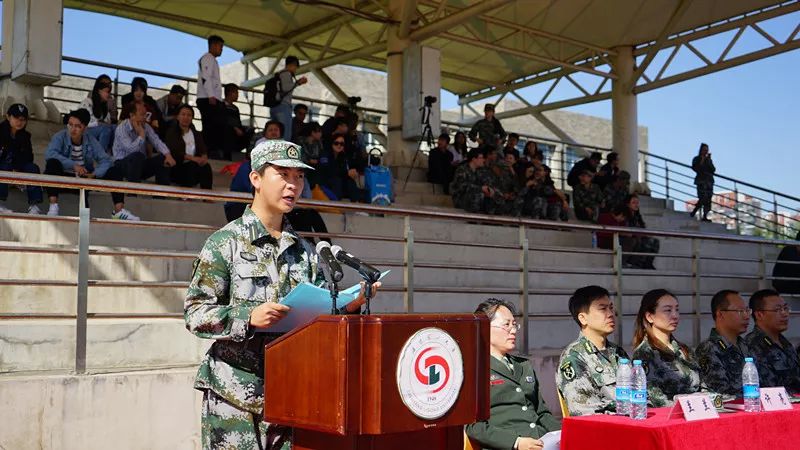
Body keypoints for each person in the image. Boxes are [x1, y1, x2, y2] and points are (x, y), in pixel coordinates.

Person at [185, 139, 380, 449]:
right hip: (234, 396)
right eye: (283, 175)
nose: (294, 185)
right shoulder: (225, 243)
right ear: (256, 179)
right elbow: (195, 314)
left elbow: (316, 319)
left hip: (291, 395)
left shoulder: (305, 252)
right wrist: (247, 318)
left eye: (299, 177)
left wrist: (349, 306)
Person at [466, 298, 561, 450]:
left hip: (541, 443)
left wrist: (562, 434)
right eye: (506, 325)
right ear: (485, 327)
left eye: (514, 324)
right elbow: (474, 427)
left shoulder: (523, 365)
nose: (514, 330)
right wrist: (515, 442)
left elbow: (542, 413)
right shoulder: (475, 369)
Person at [44, 109, 137, 220]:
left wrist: (95, 174)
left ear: (85, 128)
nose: (73, 129)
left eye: (78, 126)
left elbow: (106, 160)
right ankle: (53, 207)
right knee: (52, 164)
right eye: (70, 125)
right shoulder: (60, 136)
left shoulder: (90, 139)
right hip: (64, 177)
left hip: (85, 178)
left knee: (115, 170)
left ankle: (118, 211)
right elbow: (50, 154)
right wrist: (73, 165)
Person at [557, 286, 629, 416]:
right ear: (583, 318)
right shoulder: (574, 357)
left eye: (611, 308)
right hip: (605, 430)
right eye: (603, 309)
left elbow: (638, 393)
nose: (611, 314)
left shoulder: (618, 352)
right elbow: (584, 409)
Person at [632, 289, 705, 407]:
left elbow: (703, 386)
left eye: (677, 309)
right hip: (671, 417)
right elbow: (655, 399)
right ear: (650, 317)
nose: (675, 315)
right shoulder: (645, 353)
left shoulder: (684, 350)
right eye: (667, 310)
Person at [695, 290, 751, 397]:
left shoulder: (745, 345)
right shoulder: (709, 349)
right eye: (740, 311)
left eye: (747, 311)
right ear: (720, 314)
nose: (746, 316)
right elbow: (719, 393)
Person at [745, 289, 800, 393]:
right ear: (759, 315)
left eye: (785, 308)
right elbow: (765, 389)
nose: (785, 314)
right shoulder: (752, 345)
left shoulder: (785, 343)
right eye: (777, 310)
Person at [112, 100, 176, 186]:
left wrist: (168, 155)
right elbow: (131, 150)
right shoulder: (122, 128)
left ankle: (160, 193)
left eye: (146, 114)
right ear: (132, 115)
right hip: (123, 164)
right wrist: (141, 135)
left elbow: (156, 141)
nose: (145, 117)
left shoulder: (146, 126)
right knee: (137, 156)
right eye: (142, 114)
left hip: (139, 165)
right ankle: (133, 192)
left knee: (163, 158)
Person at [0, 104, 43, 214]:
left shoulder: (25, 136)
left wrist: (17, 169)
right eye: (16, 118)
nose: (20, 122)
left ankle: (34, 206)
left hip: (16, 168)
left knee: (33, 168)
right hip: (3, 167)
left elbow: (29, 157)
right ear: (8, 117)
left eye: (23, 119)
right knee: (4, 167)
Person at [164, 104, 212, 190]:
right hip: (176, 167)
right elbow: (175, 152)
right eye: (183, 114)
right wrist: (193, 158)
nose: (186, 117)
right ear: (178, 117)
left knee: (206, 166)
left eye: (189, 115)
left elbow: (203, 150)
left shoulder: (196, 134)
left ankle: (207, 195)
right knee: (190, 165)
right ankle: (185, 195)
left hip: (192, 166)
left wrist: (203, 158)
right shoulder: (171, 132)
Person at [317, 132, 367, 202]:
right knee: (336, 180)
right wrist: (347, 173)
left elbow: (343, 171)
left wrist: (351, 173)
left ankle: (356, 204)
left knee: (350, 182)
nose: (339, 145)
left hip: (337, 181)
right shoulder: (325, 154)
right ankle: (336, 204)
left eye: (342, 144)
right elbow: (327, 171)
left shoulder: (342, 156)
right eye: (336, 143)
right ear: (331, 143)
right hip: (324, 182)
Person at [197, 35, 225, 158]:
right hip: (208, 98)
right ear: (213, 45)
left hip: (213, 98)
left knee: (215, 126)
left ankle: (212, 150)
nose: (221, 49)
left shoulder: (212, 60)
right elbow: (206, 77)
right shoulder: (207, 58)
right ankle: (208, 151)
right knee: (210, 127)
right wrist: (211, 95)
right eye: (220, 46)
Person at [270, 56, 308, 142]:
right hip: (283, 106)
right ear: (293, 65)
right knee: (285, 135)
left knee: (276, 134)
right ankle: (283, 154)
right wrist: (298, 82)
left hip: (274, 106)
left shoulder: (278, 75)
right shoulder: (286, 74)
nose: (295, 70)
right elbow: (286, 88)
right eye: (295, 67)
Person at [622, 194, 659, 269]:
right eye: (633, 202)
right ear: (628, 204)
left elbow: (642, 228)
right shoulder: (624, 215)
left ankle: (647, 263)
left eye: (637, 203)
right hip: (628, 238)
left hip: (638, 236)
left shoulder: (637, 216)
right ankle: (633, 263)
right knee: (642, 241)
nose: (636, 205)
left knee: (655, 241)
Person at [79, 76, 115, 152]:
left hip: (100, 134)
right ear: (99, 90)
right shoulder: (87, 102)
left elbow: (108, 124)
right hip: (85, 133)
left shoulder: (105, 109)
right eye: (107, 91)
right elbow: (81, 122)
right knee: (105, 129)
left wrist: (104, 124)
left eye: (109, 92)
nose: (109, 94)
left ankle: (113, 154)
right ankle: (100, 156)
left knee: (114, 128)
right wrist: (99, 123)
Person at [222, 83, 255, 161]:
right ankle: (227, 156)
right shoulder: (221, 105)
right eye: (236, 93)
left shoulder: (235, 108)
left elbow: (238, 122)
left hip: (238, 131)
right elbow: (224, 120)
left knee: (250, 130)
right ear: (230, 93)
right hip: (227, 131)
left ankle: (248, 155)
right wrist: (235, 128)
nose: (237, 95)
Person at [450, 147, 489, 214]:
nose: (483, 160)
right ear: (474, 159)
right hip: (461, 197)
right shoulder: (462, 170)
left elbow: (485, 183)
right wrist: (480, 188)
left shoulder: (479, 171)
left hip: (473, 196)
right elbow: (462, 187)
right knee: (478, 194)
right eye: (481, 158)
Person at [690, 143, 715, 222]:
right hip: (701, 181)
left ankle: (705, 216)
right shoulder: (696, 159)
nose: (705, 152)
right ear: (701, 150)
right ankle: (694, 211)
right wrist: (702, 160)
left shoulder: (709, 160)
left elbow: (713, 170)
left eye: (707, 150)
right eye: (704, 150)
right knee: (702, 198)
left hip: (709, 181)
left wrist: (709, 160)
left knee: (708, 200)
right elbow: (696, 168)